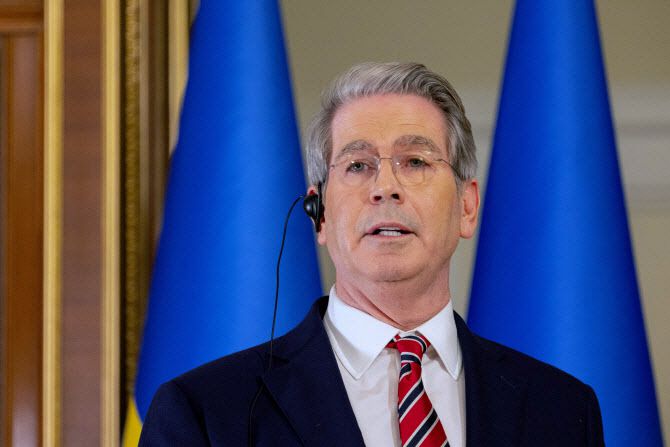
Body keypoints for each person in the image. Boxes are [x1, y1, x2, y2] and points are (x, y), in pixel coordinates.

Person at [139, 62, 604, 446]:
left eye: (415, 161)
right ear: (319, 214)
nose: (385, 188)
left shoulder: (563, 410)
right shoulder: (205, 413)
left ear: (467, 207)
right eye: (358, 165)